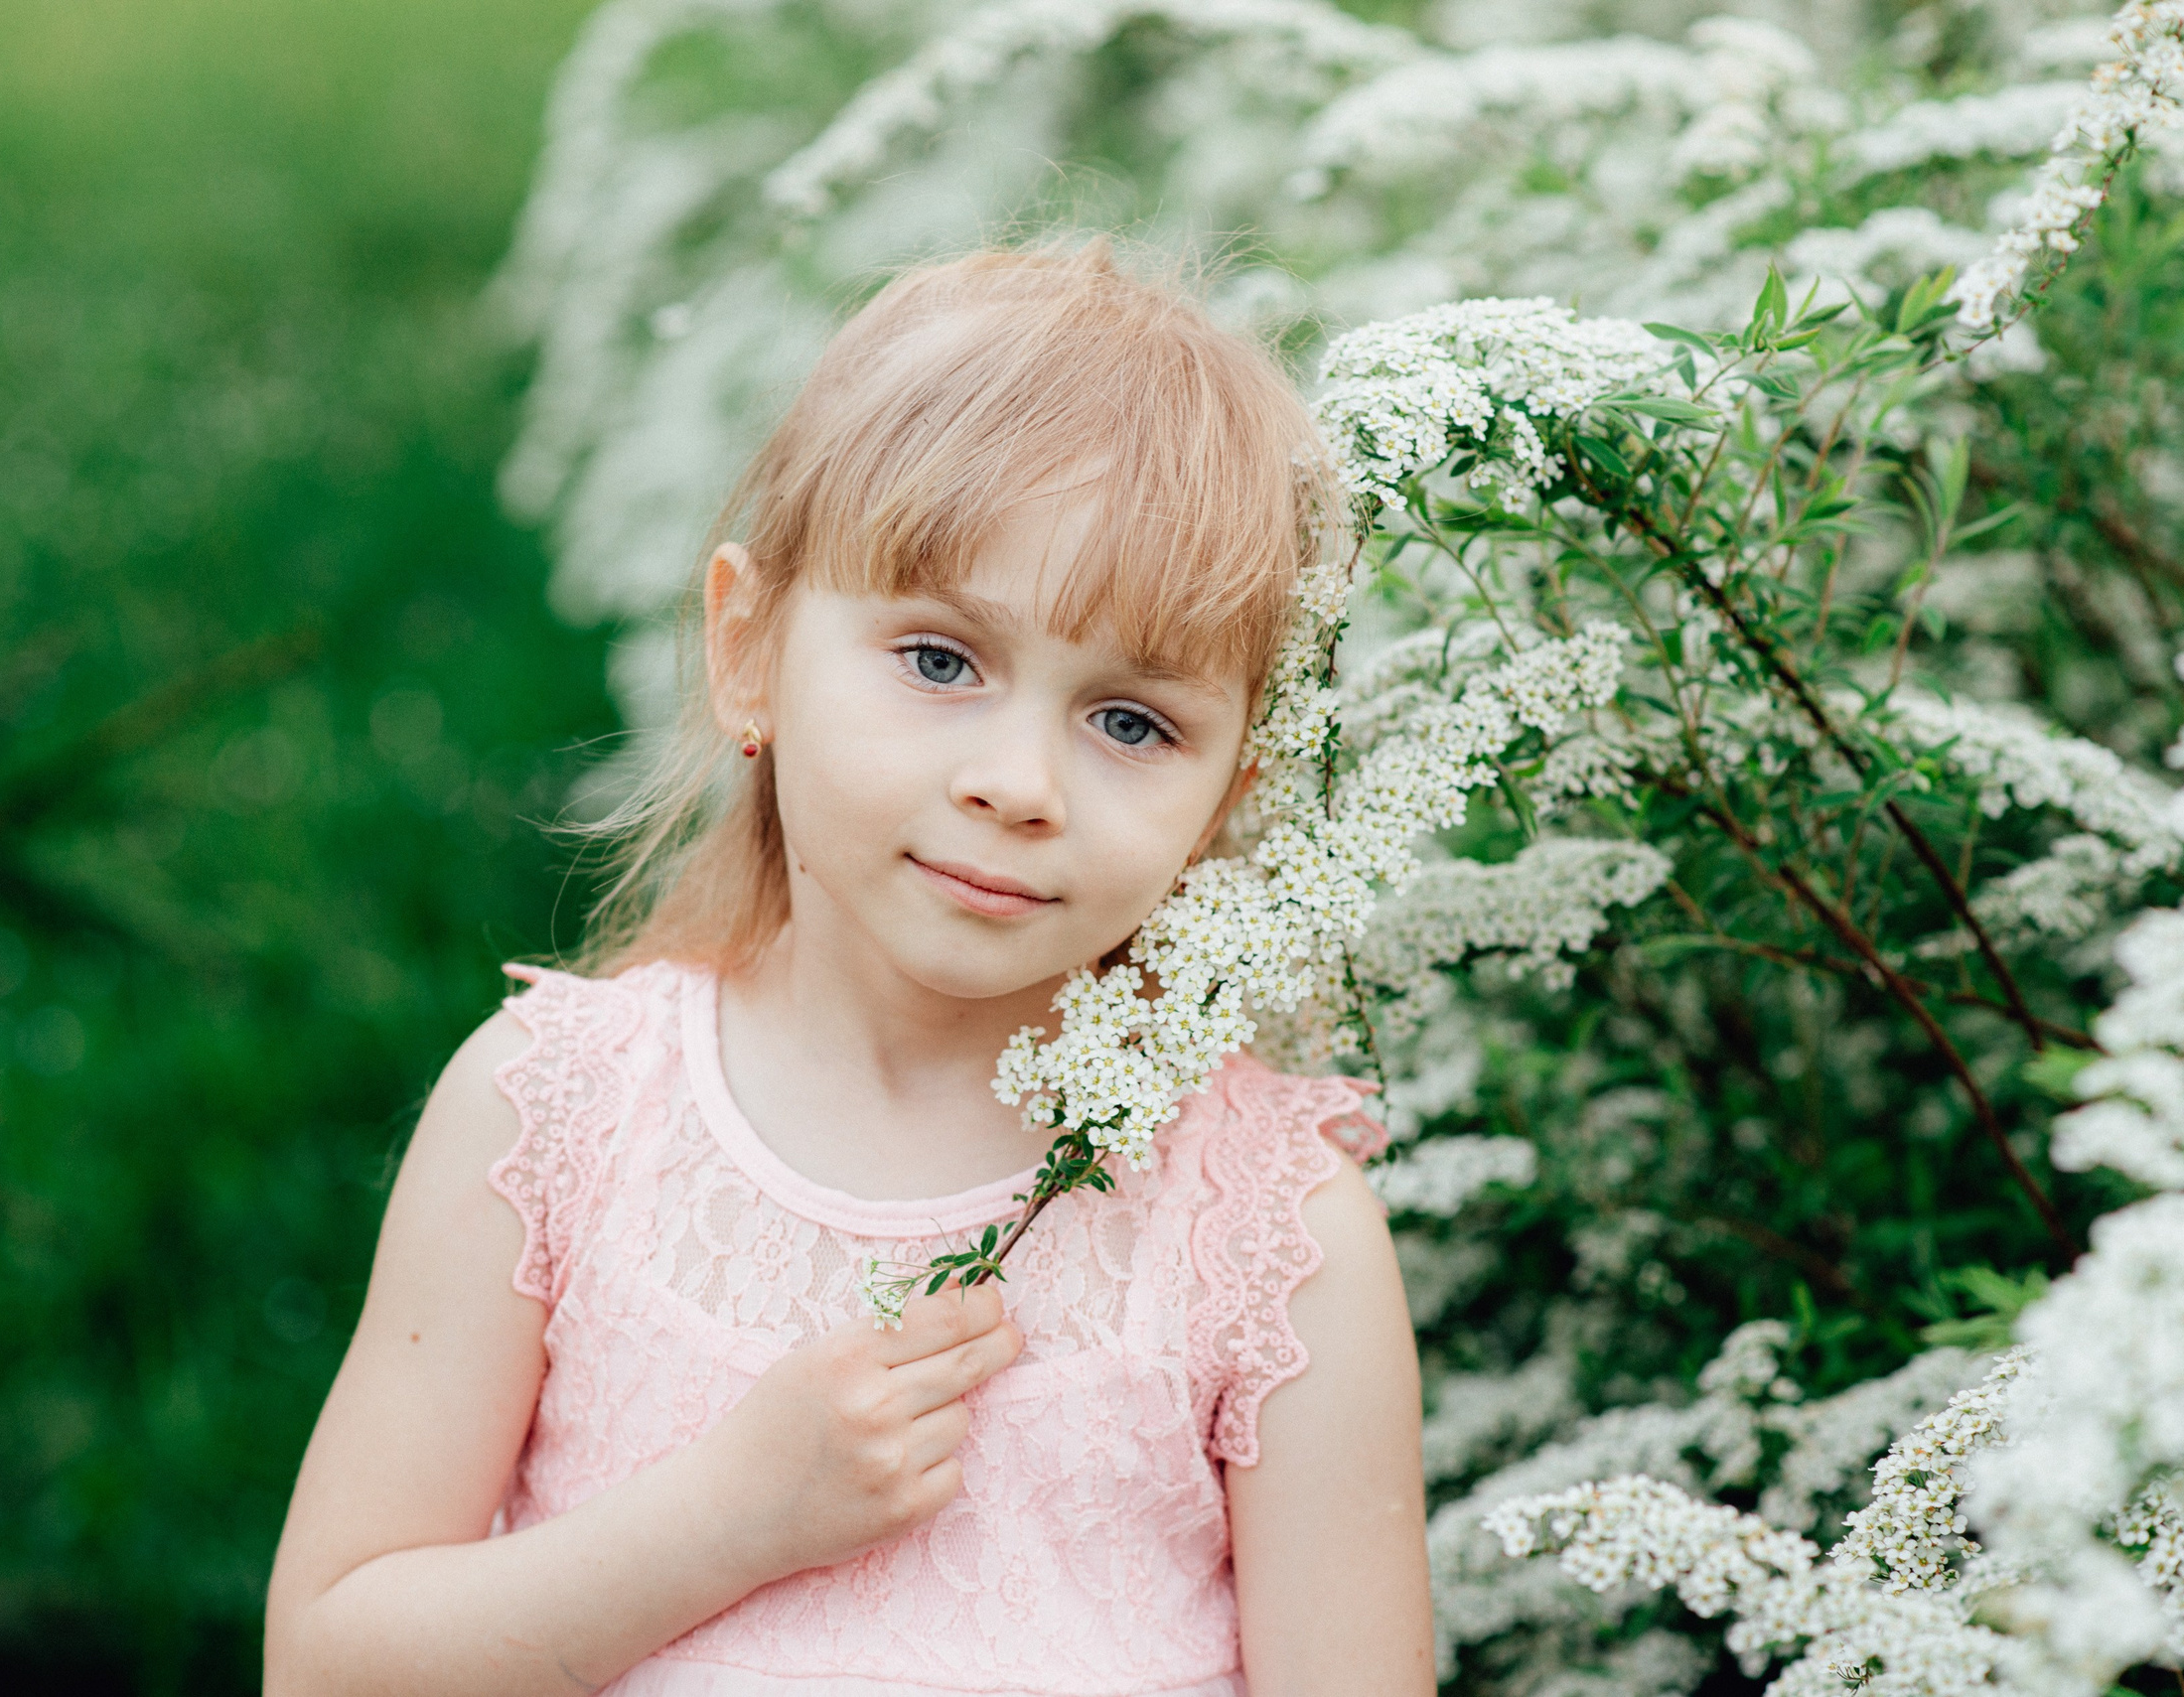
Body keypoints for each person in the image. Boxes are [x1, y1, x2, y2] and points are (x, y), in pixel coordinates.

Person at [263, 240, 1434, 1697]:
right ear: (747, 647)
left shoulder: (1271, 1230)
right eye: (942, 660)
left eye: (1131, 722)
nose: (1020, 782)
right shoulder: (553, 1116)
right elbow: (327, 1664)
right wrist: (723, 1522)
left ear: (1227, 795)